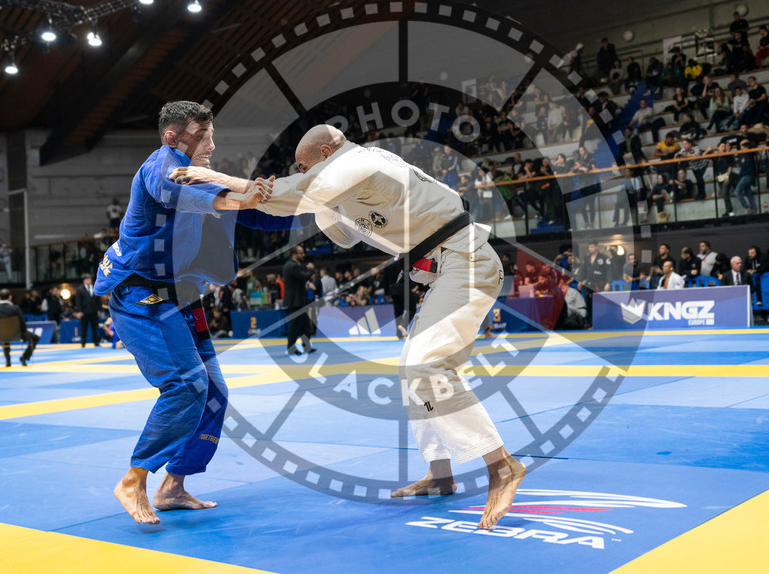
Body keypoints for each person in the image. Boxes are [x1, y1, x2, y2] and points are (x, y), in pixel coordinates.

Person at [170, 124, 527, 531]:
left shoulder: (356, 163)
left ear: (325, 152)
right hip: (448, 265)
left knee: (426, 364)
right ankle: (440, 472)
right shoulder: (349, 175)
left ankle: (502, 467)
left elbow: (286, 196)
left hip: (467, 261)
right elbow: (338, 234)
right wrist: (274, 195)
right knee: (414, 367)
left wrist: (215, 178)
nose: (303, 173)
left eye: (305, 166)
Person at [95, 100, 291, 525]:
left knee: (213, 392)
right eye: (203, 136)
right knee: (186, 385)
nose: (211, 144)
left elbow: (257, 215)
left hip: (182, 298)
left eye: (211, 134)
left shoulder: (203, 182)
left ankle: (173, 485)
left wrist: (324, 211)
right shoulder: (161, 166)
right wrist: (238, 198)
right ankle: (134, 478)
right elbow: (176, 193)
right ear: (173, 137)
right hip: (141, 295)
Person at [0, 288, 39, 367]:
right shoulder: (15, 308)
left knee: (4, 335)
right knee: (35, 338)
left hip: (0, 336)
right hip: (16, 334)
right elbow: (22, 324)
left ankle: (8, 360)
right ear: (10, 297)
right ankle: (24, 357)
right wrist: (23, 333)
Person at [282, 245, 316, 355]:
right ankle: (291, 348)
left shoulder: (292, 265)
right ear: (294, 254)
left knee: (305, 324)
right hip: (296, 301)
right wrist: (310, 270)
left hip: (299, 300)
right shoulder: (292, 266)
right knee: (295, 325)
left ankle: (306, 346)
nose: (303, 255)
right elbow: (303, 277)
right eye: (301, 253)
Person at [74, 273, 102, 347]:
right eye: (88, 279)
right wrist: (79, 311)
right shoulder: (80, 289)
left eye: (90, 279)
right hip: (84, 312)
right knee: (84, 328)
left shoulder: (94, 287)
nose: (90, 280)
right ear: (84, 280)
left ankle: (96, 342)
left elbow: (98, 299)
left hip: (94, 311)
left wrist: (99, 309)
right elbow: (78, 301)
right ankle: (83, 343)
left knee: (95, 327)